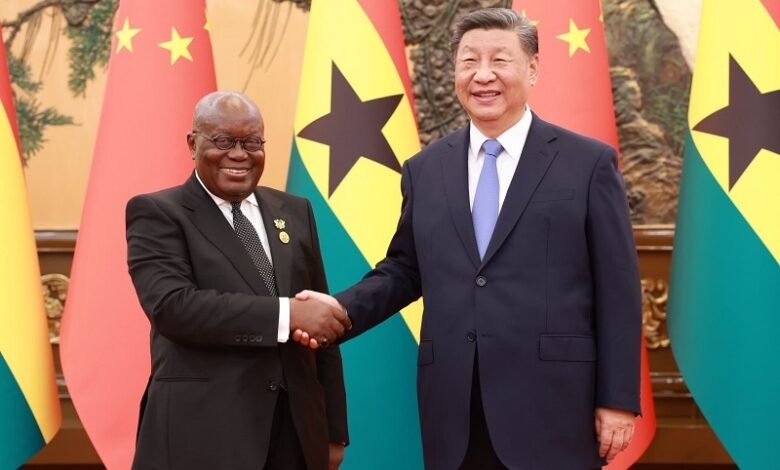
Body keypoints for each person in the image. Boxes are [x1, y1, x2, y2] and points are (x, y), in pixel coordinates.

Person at [295, 8, 642, 469]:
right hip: (456, 407)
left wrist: (617, 398)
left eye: (500, 60)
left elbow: (618, 288)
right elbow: (404, 270)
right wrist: (339, 310)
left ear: (533, 67)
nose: (483, 76)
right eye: (468, 61)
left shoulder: (588, 163)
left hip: (555, 405)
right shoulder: (426, 169)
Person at [126, 91, 351, 470]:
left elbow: (319, 321)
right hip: (203, 437)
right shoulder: (157, 213)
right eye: (223, 141)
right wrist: (287, 315)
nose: (239, 153)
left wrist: (333, 430)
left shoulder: (295, 212)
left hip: (295, 436)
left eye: (252, 142)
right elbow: (174, 308)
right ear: (192, 143)